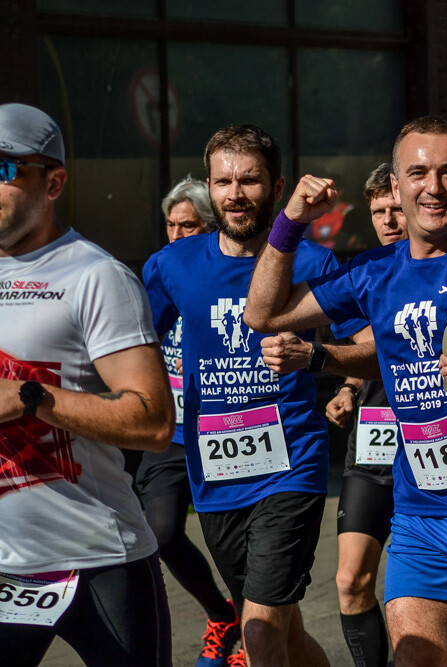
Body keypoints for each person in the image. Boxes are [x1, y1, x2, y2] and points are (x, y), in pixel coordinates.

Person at [244, 116, 447, 667]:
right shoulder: (372, 271)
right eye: (418, 173)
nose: (434, 187)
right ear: (396, 188)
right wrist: (290, 223)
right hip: (422, 513)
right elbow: (263, 313)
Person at [143, 125, 354, 667]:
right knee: (283, 633)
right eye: (223, 181)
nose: (235, 193)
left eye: (250, 180)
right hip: (213, 473)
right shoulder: (173, 265)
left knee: (257, 631)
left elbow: (372, 342)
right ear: (209, 188)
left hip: (292, 466)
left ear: (277, 186)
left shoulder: (313, 264)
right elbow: (137, 345)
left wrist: (330, 366)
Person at [0, 103, 175, 665]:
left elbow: (151, 421)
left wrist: (33, 399)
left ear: (53, 182)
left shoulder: (96, 277)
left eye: (6, 169)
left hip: (99, 560)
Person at [134, 175, 241, 667]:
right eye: (171, 226)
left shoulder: (222, 277)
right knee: (161, 533)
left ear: (211, 227)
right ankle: (222, 615)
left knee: (240, 546)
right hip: (172, 435)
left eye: (189, 226)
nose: (177, 236)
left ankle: (257, 631)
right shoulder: (160, 276)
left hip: (223, 430)